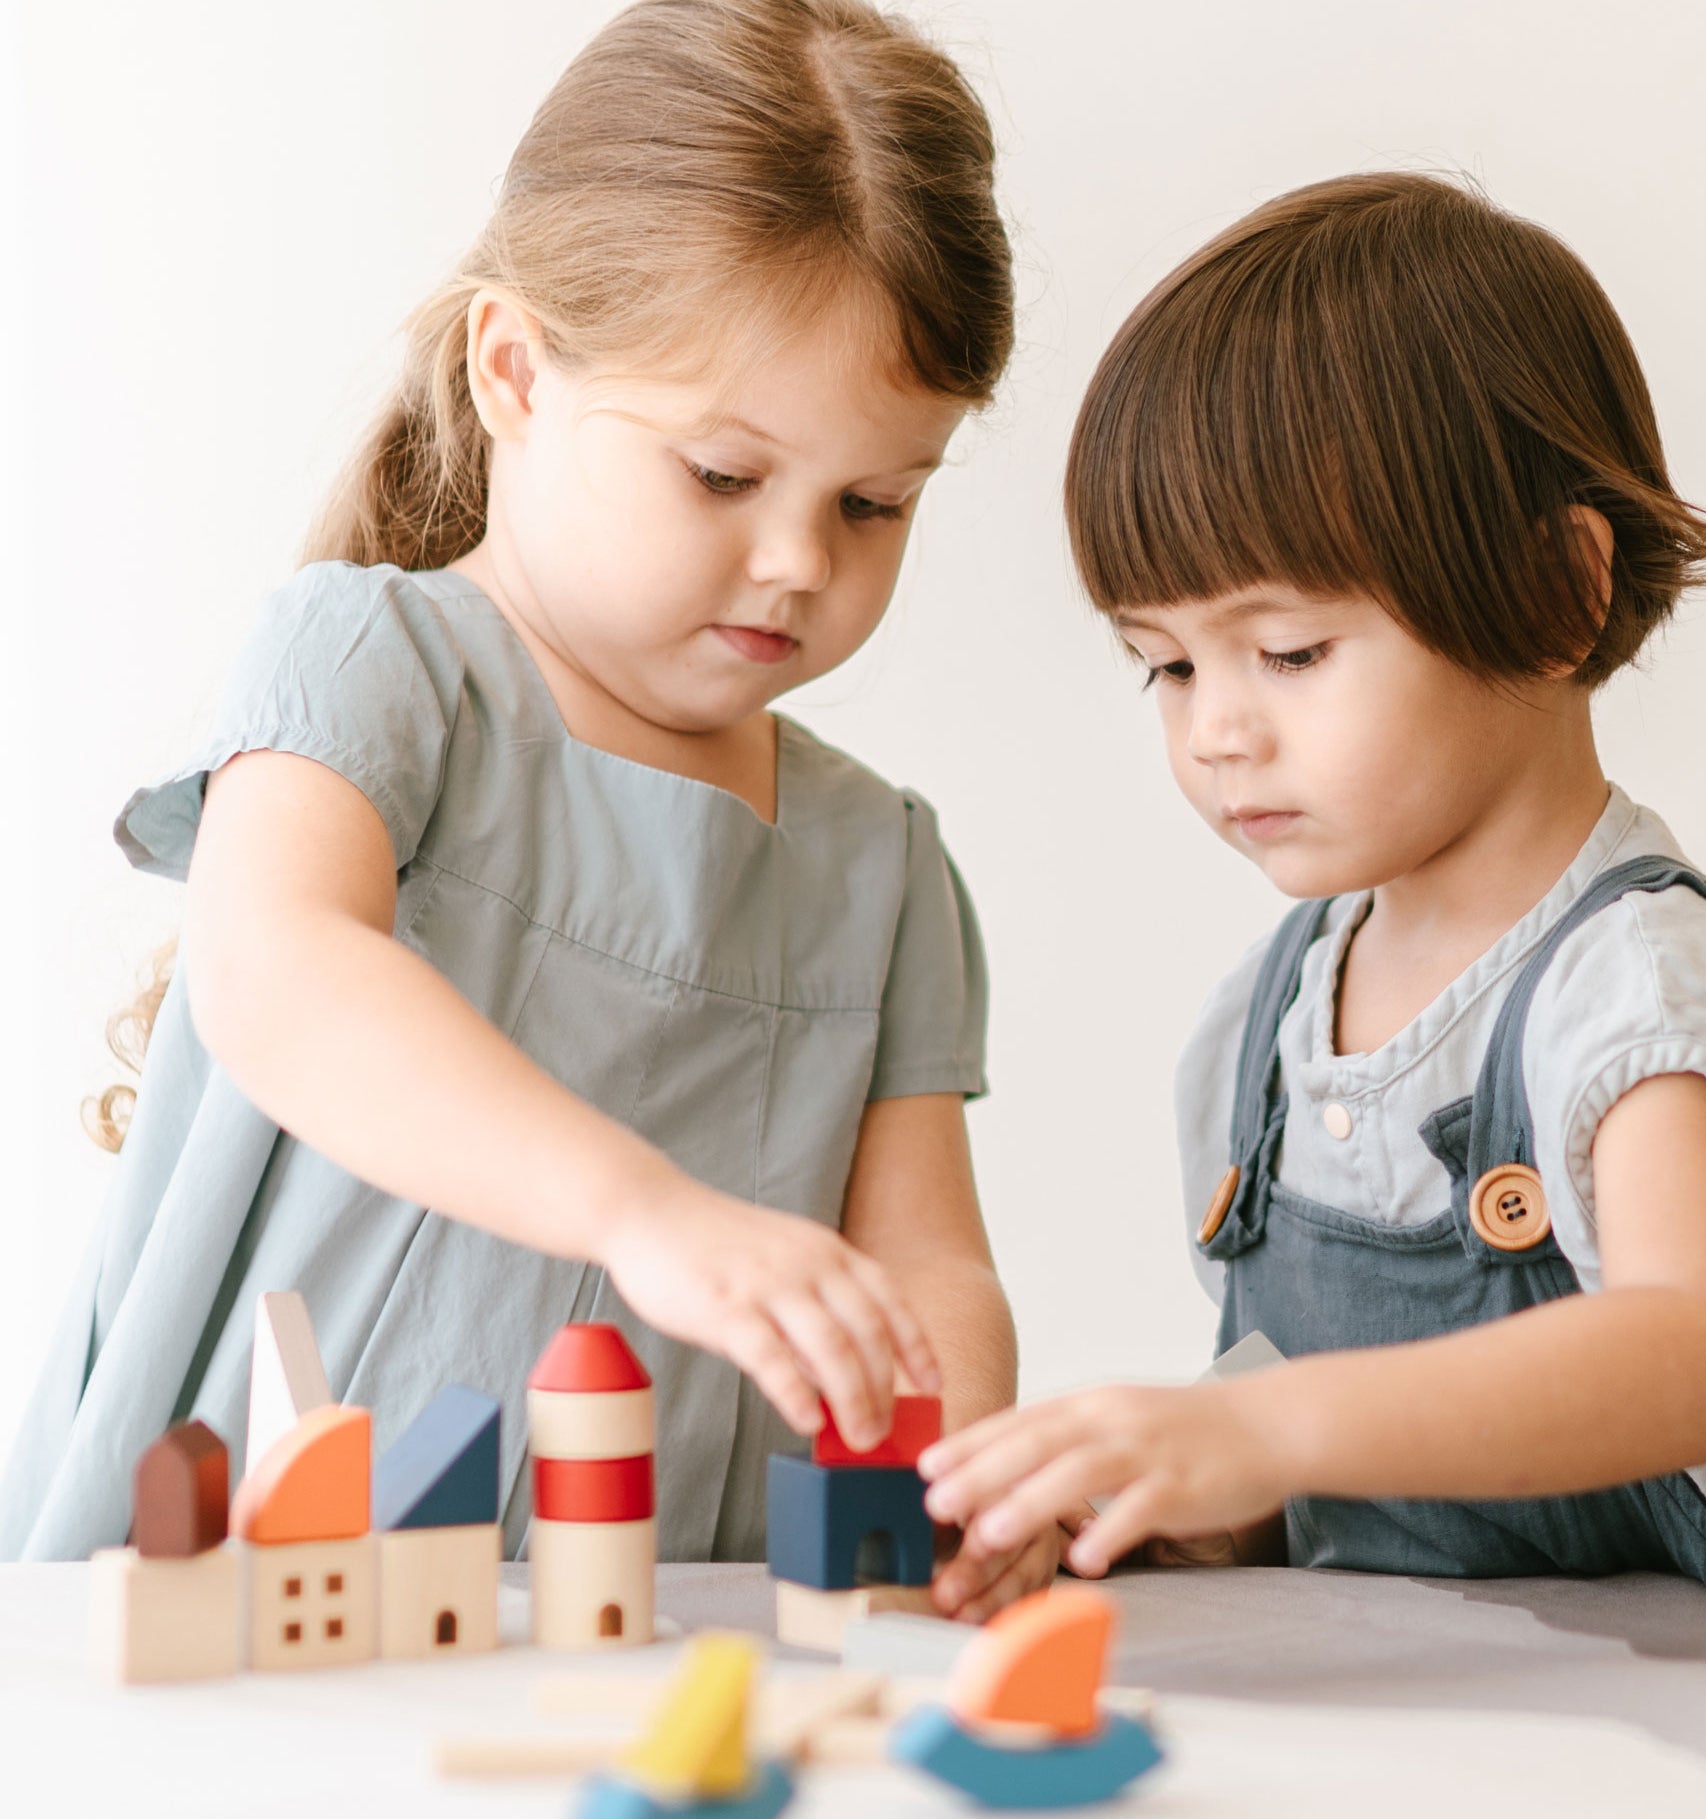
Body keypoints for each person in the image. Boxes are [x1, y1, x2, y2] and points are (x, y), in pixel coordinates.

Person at [5, 0, 1054, 1614]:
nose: (799, 561)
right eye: (721, 474)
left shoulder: (883, 863)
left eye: (873, 504)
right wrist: (642, 1213)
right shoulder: (377, 661)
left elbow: (930, 1265)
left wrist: (957, 1467)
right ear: (513, 371)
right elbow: (282, 973)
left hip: (656, 1614)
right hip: (268, 1597)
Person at [921, 171, 1706, 1584]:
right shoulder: (1268, 1021)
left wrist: (1273, 1430)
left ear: (1554, 593)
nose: (1217, 728)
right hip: (1398, 1747)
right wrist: (1153, 1496)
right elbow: (1319, 1469)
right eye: (1164, 663)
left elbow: (1681, 1349)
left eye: (1287, 651)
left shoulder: (1631, 993)